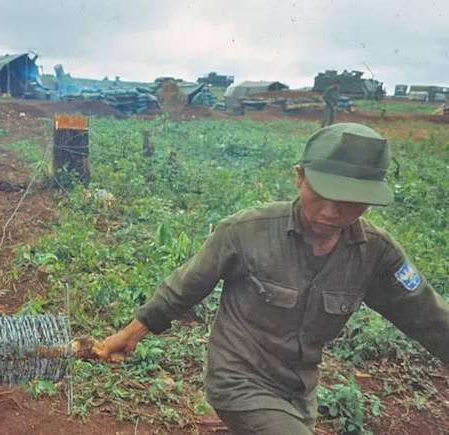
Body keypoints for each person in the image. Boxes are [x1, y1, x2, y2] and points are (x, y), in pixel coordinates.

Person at [97, 123, 449, 435]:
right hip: (238, 381)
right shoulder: (245, 232)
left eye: (349, 201)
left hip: (299, 394)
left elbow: (429, 318)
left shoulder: (376, 253)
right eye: (321, 194)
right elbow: (185, 286)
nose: (330, 211)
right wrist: (129, 335)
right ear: (299, 177)